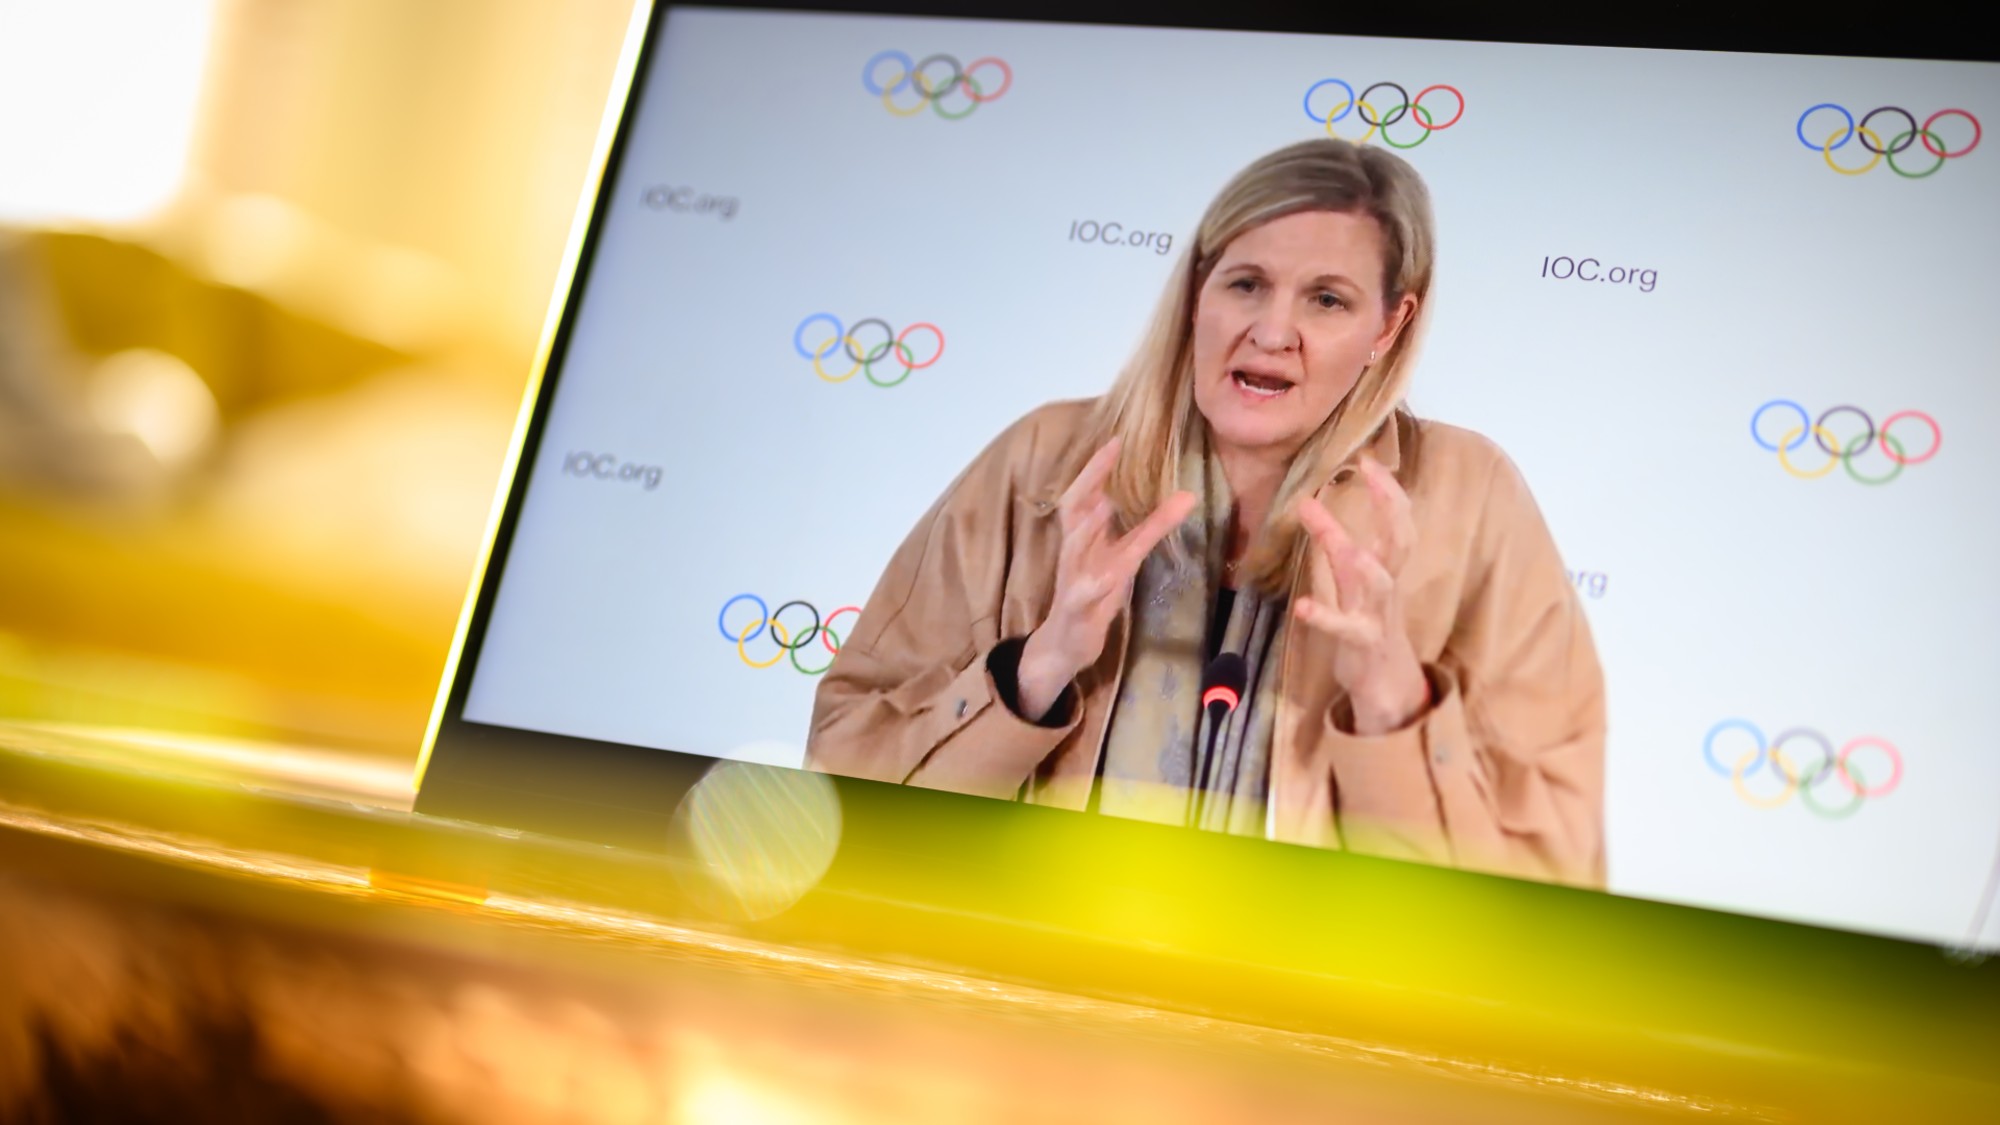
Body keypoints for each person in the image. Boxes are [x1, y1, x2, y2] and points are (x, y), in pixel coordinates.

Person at [805, 138, 1605, 887]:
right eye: (1246, 283)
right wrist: (1036, 670)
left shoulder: (1470, 492)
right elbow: (845, 796)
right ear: (1196, 291)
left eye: (1327, 299)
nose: (1272, 331)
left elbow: (1545, 882)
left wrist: (1393, 703)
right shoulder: (1045, 461)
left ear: (1388, 326)